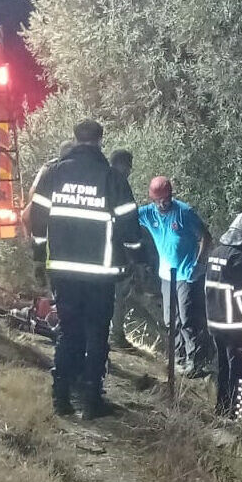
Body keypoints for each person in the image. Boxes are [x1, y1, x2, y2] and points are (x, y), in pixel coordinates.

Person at [27, 119, 141, 419]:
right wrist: (135, 257)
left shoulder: (53, 174)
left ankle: (61, 398)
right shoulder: (112, 178)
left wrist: (39, 253)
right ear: (100, 141)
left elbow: (36, 220)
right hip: (99, 275)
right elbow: (130, 228)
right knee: (97, 335)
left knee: (68, 332)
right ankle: (92, 400)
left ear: (75, 139)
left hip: (62, 271)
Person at [138, 176, 211, 376]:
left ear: (171, 196)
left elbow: (206, 237)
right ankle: (177, 357)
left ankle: (194, 361)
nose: (163, 203)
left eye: (166, 199)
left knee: (187, 319)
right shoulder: (147, 213)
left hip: (186, 274)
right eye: (159, 200)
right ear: (153, 199)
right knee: (171, 320)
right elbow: (127, 218)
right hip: (166, 275)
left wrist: (200, 263)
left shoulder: (184, 212)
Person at [204, 211, 242, 419]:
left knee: (222, 370)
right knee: (241, 374)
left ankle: (221, 413)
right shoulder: (240, 259)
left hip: (215, 324)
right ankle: (236, 417)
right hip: (236, 328)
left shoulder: (216, 253)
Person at [108, 148, 137, 351]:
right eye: (128, 166)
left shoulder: (101, 178)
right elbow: (128, 221)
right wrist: (135, 251)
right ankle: (116, 335)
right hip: (115, 253)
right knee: (118, 296)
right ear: (123, 165)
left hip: (94, 251)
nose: (129, 171)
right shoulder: (119, 183)